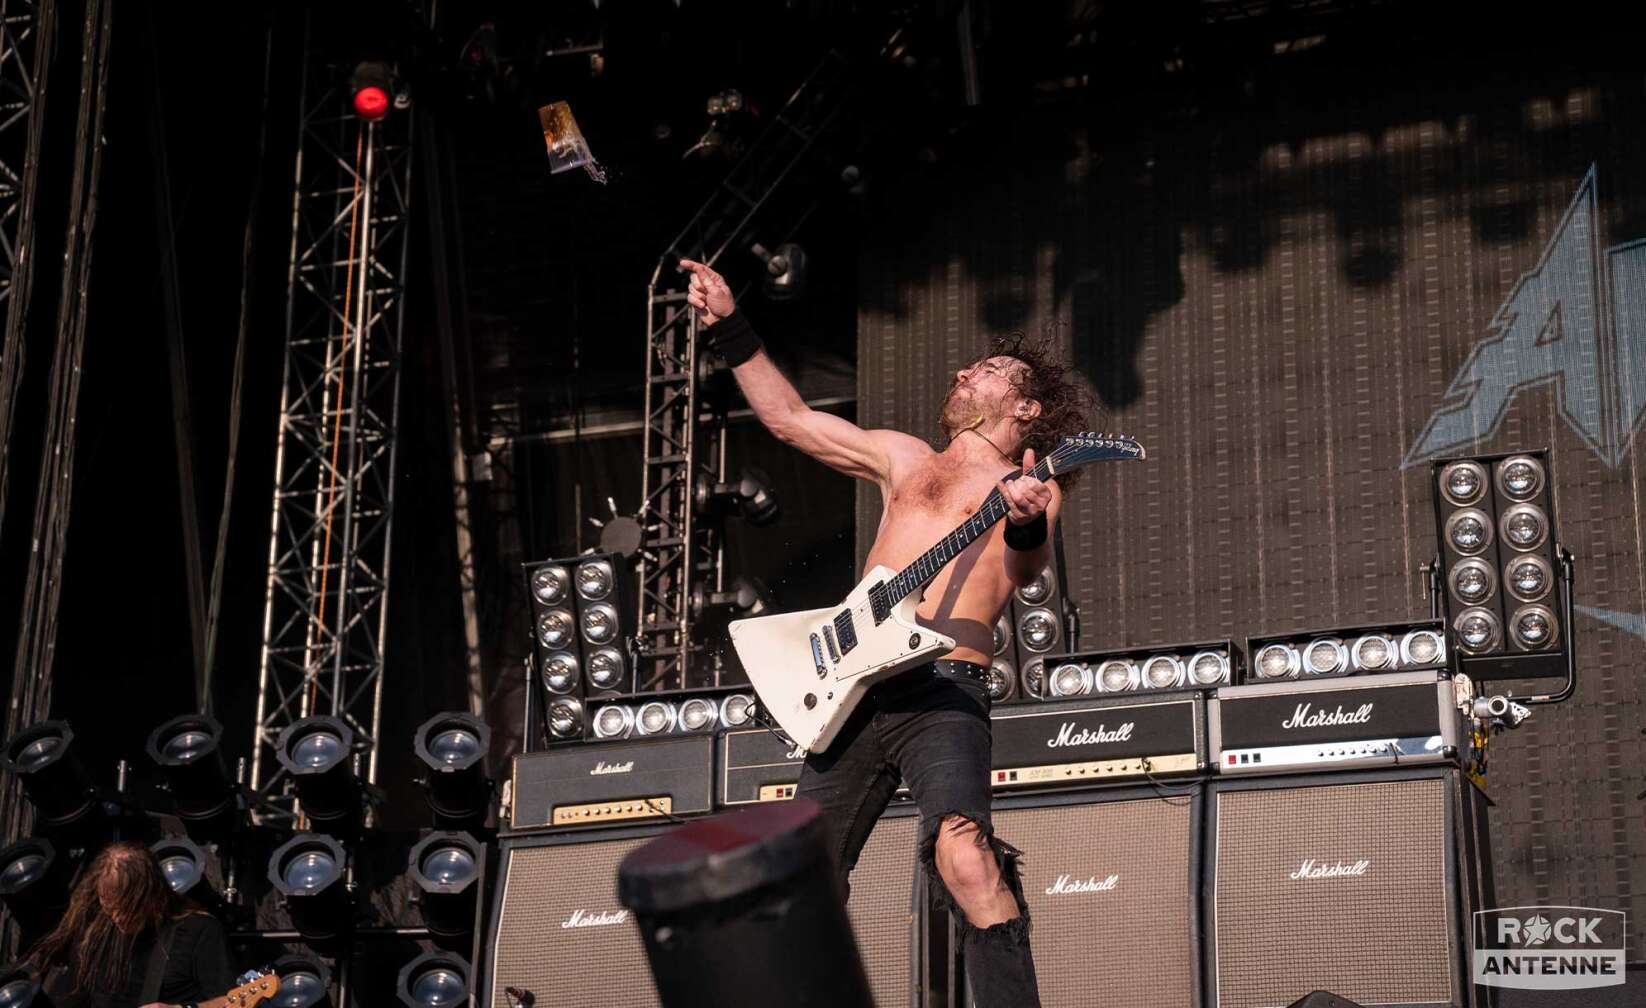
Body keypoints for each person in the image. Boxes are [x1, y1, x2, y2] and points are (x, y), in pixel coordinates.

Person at [682, 258, 1094, 1007]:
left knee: (965, 857)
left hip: (943, 690)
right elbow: (790, 421)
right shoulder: (905, 459)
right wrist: (730, 324)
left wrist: (1028, 516)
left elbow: (1025, 568)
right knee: (799, 877)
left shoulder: (1035, 484)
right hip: (855, 694)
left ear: (1027, 410)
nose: (966, 371)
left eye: (990, 370)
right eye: (969, 365)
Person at [22, 841, 239, 1008]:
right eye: (110, 908)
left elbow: (233, 1002)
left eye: (126, 909)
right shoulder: (93, 929)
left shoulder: (198, 930)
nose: (117, 918)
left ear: (151, 896)